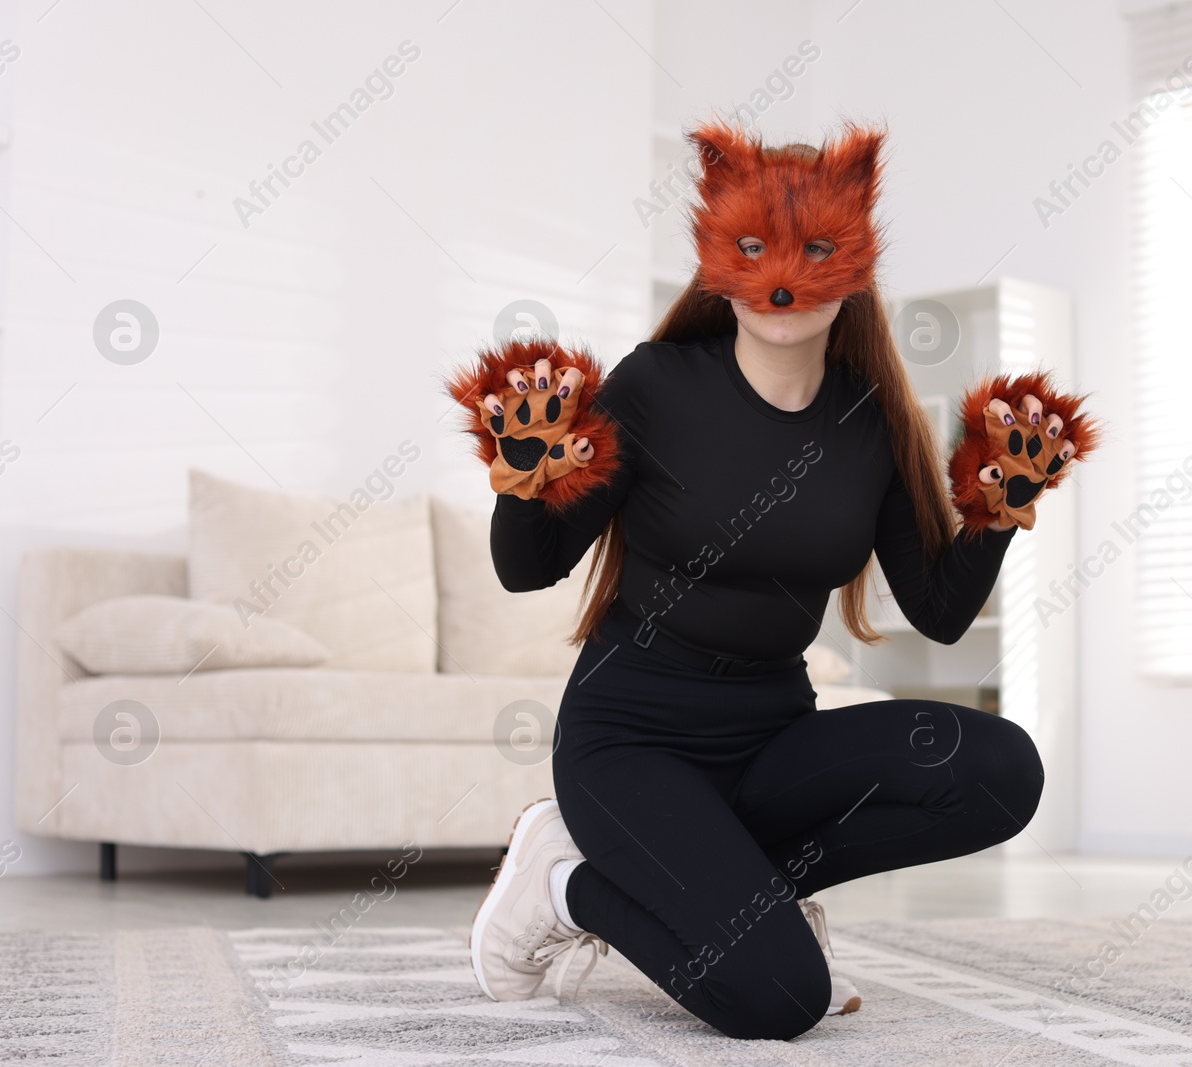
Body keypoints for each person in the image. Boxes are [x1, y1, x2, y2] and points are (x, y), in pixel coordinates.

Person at [450, 119, 1095, 1041]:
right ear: (719, 249)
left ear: (855, 255)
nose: (782, 279)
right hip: (633, 739)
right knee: (780, 997)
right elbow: (529, 568)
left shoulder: (872, 422)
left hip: (769, 739)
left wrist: (996, 510)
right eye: (754, 246)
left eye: (815, 248)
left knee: (1003, 772)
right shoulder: (655, 387)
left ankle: (747, 883)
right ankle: (568, 880)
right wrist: (524, 476)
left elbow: (941, 614)